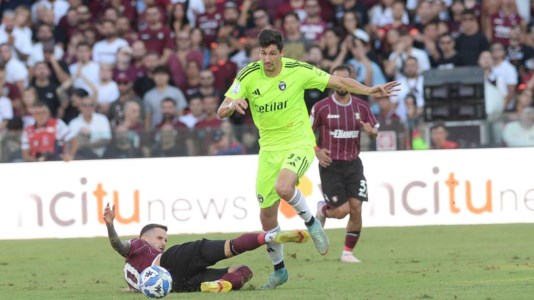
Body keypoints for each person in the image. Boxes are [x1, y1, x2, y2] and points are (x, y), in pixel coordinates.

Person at [217, 29, 399, 289]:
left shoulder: (298, 70)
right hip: (268, 149)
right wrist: (230, 107)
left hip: (298, 142)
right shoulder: (247, 74)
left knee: (284, 187)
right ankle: (279, 270)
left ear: (282, 53)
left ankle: (312, 224)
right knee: (267, 218)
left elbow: (340, 82)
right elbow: (221, 109)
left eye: (272, 54)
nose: (267, 59)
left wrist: (370, 90)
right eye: (262, 53)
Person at [103, 203, 310, 293]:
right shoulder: (137, 245)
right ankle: (270, 236)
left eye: (165, 239)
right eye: (159, 238)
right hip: (171, 264)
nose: (163, 242)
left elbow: (133, 287)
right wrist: (111, 225)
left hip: (175, 286)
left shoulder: (132, 274)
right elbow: (118, 245)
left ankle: (218, 285)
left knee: (243, 270)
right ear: (143, 238)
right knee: (230, 247)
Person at [311, 65, 379, 263]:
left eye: (346, 80)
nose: (341, 84)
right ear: (331, 81)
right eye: (337, 79)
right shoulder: (321, 107)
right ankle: (323, 208)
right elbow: (306, 133)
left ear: (352, 81)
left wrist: (372, 133)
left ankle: (347, 253)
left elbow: (374, 131)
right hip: (330, 165)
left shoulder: (361, 106)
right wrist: (316, 151)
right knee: (341, 212)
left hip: (353, 164)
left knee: (356, 207)